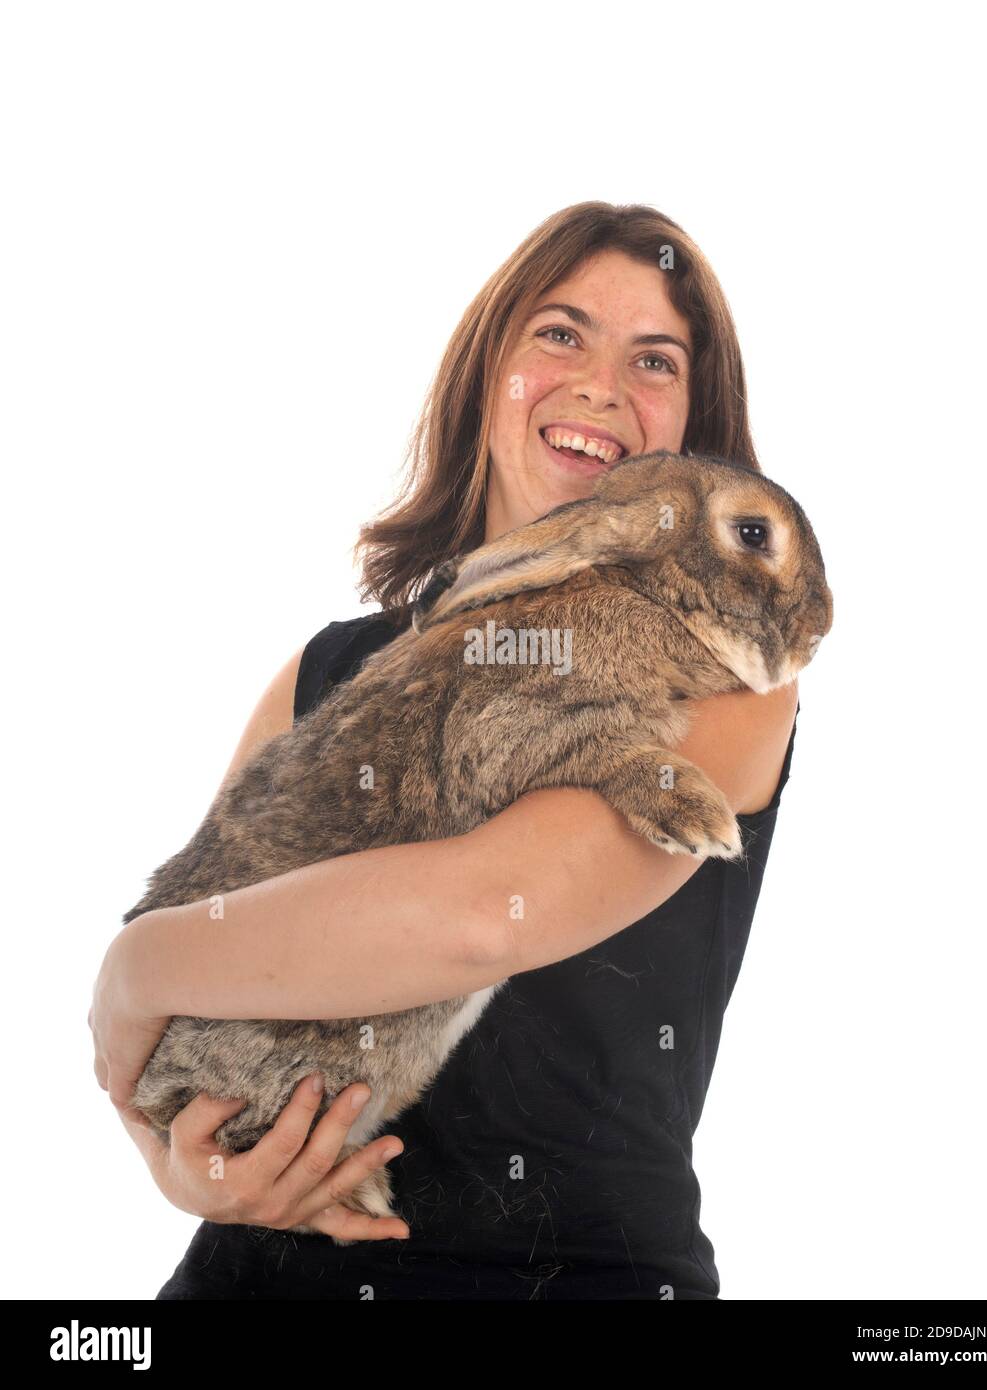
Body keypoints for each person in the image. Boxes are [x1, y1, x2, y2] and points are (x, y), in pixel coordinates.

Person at [90, 201, 802, 1300]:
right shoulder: (331, 669)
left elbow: (479, 914)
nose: (601, 384)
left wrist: (132, 977)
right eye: (558, 334)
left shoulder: (727, 677)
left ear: (690, 440)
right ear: (487, 374)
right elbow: (189, 932)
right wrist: (187, 1168)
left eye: (651, 359)